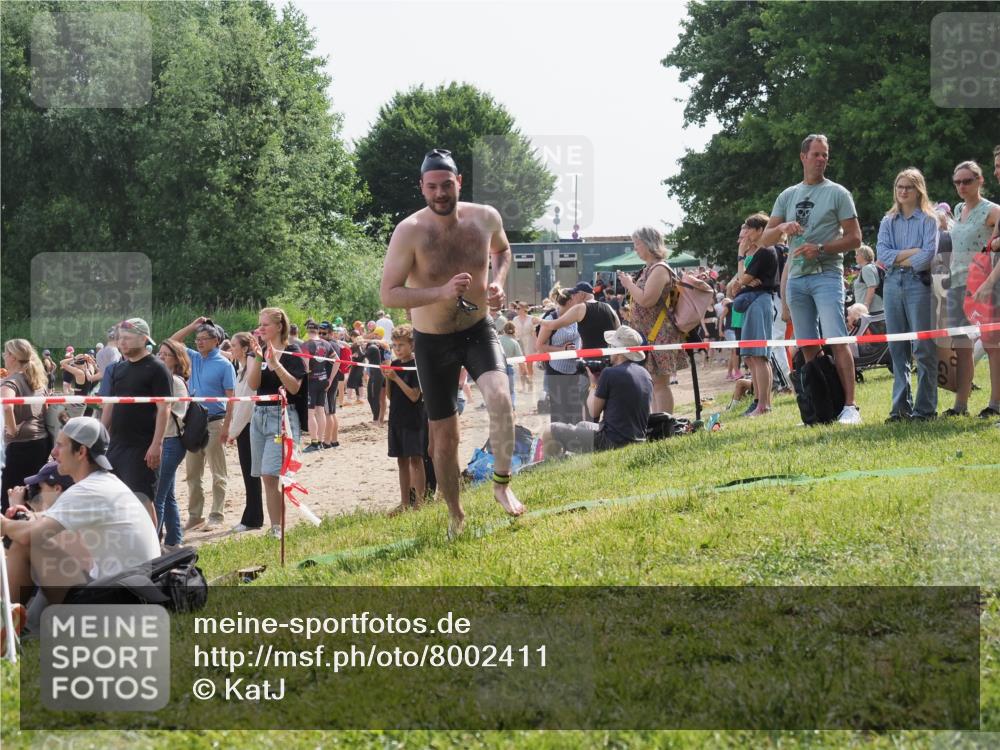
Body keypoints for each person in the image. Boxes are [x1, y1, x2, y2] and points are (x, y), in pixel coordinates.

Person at [380, 148, 525, 538]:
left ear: (459, 182)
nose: (440, 194)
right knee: (445, 438)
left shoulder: (485, 218)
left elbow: (503, 250)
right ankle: (455, 514)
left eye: (447, 185)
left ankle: (502, 483)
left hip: (478, 328)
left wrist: (498, 281)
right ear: (422, 188)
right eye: (432, 187)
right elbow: (389, 294)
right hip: (432, 341)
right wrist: (440, 292)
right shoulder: (409, 230)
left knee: (500, 398)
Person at [0, 417, 160, 615]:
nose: (53, 452)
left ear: (81, 452)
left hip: (117, 599)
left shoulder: (87, 490)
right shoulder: (104, 483)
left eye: (60, 445)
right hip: (132, 593)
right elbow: (57, 518)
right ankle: (22, 625)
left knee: (26, 545)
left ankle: (6, 624)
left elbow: (29, 536)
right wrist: (32, 516)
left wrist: (4, 524)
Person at [759, 133, 863, 424]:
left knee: (837, 339)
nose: (821, 160)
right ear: (803, 157)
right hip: (797, 278)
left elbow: (856, 239)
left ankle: (851, 406)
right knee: (806, 345)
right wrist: (783, 229)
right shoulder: (788, 195)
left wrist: (821, 249)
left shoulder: (838, 193)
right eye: (816, 154)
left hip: (827, 275)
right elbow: (765, 238)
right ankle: (823, 405)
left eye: (825, 155)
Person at [875, 167, 939, 422]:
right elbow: (882, 255)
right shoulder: (888, 221)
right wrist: (911, 252)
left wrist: (900, 257)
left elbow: (926, 258)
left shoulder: (929, 220)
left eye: (908, 187)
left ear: (918, 190)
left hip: (918, 285)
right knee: (897, 348)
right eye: (899, 187)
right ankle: (900, 408)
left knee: (923, 348)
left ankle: (925, 410)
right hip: (892, 284)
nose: (902, 191)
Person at [540, 325, 653, 458]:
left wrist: (593, 384)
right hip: (637, 439)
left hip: (613, 442)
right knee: (583, 424)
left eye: (611, 346)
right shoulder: (645, 374)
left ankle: (551, 466)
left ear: (618, 351)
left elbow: (593, 411)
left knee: (549, 430)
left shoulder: (610, 373)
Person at [100, 318, 171, 523]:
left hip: (143, 447)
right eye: (120, 338)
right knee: (117, 499)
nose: (122, 343)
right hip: (117, 445)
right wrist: (99, 435)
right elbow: (110, 405)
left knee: (142, 500)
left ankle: (154, 551)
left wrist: (156, 444)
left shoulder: (157, 368)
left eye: (128, 338)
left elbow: (164, 408)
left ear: (143, 339)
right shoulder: (118, 369)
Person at [170, 317, 235, 531]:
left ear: (216, 340)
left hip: (216, 422)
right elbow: (172, 342)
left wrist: (227, 427)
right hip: (194, 422)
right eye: (197, 338)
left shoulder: (224, 365)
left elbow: (231, 397)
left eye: (204, 338)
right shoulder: (195, 358)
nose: (198, 342)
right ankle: (195, 515)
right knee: (192, 473)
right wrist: (192, 326)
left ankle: (216, 514)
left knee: (218, 472)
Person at [246, 307, 307, 539]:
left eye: (265, 325)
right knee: (265, 475)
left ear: (279, 326)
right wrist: (259, 356)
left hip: (282, 416)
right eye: (259, 325)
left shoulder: (293, 351)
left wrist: (276, 364)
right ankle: (275, 527)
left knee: (271, 474)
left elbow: (294, 388)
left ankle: (277, 529)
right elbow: (253, 385)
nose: (260, 329)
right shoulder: (259, 351)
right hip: (259, 416)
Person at [948, 158, 1000, 418]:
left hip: (982, 284)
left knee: (992, 344)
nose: (962, 186)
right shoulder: (958, 210)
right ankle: (960, 405)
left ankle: (995, 403)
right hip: (956, 282)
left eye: (967, 181)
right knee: (961, 344)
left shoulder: (993, 211)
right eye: (957, 182)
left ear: (980, 181)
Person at [615, 226, 688, 413]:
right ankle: (657, 423)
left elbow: (647, 300)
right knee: (653, 383)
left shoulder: (660, 269)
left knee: (660, 384)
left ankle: (664, 425)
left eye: (637, 244)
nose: (635, 249)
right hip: (648, 333)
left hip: (659, 333)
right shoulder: (649, 268)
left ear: (648, 244)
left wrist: (629, 284)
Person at [728, 212, 780, 417]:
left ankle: (763, 405)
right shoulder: (762, 252)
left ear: (760, 230)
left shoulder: (765, 252)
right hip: (756, 303)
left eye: (749, 228)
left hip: (759, 302)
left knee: (759, 356)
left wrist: (741, 256)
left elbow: (740, 280)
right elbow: (738, 283)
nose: (745, 232)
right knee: (755, 356)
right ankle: (761, 403)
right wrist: (743, 280)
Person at [378, 325, 427, 514]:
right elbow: (390, 396)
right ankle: (405, 502)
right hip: (396, 417)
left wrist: (396, 377)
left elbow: (415, 395)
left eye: (401, 345)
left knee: (416, 460)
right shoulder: (394, 364)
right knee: (401, 461)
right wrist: (389, 378)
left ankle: (420, 503)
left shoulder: (416, 365)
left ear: (411, 345)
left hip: (413, 418)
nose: (397, 349)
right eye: (395, 345)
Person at [2, 340, 51, 514]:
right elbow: (46, 408)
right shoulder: (38, 379)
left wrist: (12, 429)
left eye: (5, 353)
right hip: (42, 441)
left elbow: (7, 406)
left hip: (20, 445)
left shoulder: (11, 381)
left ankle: (12, 537)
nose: (3, 357)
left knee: (12, 494)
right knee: (33, 494)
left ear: (13, 357)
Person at [221, 333, 264, 533]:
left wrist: (233, 431)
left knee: (251, 473)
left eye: (235, 346)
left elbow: (246, 405)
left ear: (245, 348)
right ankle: (253, 516)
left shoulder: (249, 368)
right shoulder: (241, 367)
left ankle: (253, 518)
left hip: (248, 426)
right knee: (250, 473)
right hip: (244, 426)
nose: (232, 350)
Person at [153, 340, 190, 548]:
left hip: (170, 442)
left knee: (157, 496)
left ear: (177, 359)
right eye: (159, 353)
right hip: (169, 441)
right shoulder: (168, 379)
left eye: (166, 354)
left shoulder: (173, 381)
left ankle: (153, 544)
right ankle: (174, 540)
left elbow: (165, 412)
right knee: (168, 495)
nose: (160, 357)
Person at [536, 284, 585, 424]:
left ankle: (576, 442)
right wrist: (562, 350)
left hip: (575, 368)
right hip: (556, 370)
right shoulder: (551, 319)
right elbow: (539, 345)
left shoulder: (577, 317)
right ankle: (558, 442)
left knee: (575, 409)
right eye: (576, 298)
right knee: (559, 411)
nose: (579, 301)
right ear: (570, 301)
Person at [301, 321, 332, 453]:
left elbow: (306, 366)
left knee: (310, 413)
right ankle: (320, 441)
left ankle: (314, 442)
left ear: (308, 330)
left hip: (312, 381)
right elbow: (336, 360)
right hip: (323, 379)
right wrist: (330, 379)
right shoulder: (326, 344)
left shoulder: (306, 345)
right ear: (318, 330)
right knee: (320, 411)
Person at [511, 302, 538, 392]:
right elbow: (513, 332)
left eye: (518, 308)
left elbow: (534, 332)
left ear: (524, 309)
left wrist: (535, 344)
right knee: (521, 366)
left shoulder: (531, 319)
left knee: (530, 366)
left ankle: (530, 385)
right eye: (516, 308)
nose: (517, 310)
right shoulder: (515, 319)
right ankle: (523, 387)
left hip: (529, 341)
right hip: (519, 342)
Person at [498, 321, 523, 412]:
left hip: (497, 368)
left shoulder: (497, 340)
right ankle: (512, 406)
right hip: (509, 368)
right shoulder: (514, 342)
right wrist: (524, 372)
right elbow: (520, 360)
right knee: (511, 390)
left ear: (503, 330)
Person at [364, 330, 388, 422]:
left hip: (384, 373)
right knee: (375, 397)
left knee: (381, 398)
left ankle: (380, 418)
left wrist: (370, 341)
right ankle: (379, 418)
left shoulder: (384, 343)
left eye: (377, 334)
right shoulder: (373, 346)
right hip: (375, 372)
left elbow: (383, 344)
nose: (375, 336)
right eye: (375, 334)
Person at [852, 245, 884, 314]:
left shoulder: (866, 269)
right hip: (877, 308)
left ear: (863, 255)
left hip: (872, 310)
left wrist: (866, 306)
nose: (855, 257)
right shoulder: (872, 267)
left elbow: (871, 287)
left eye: (857, 254)